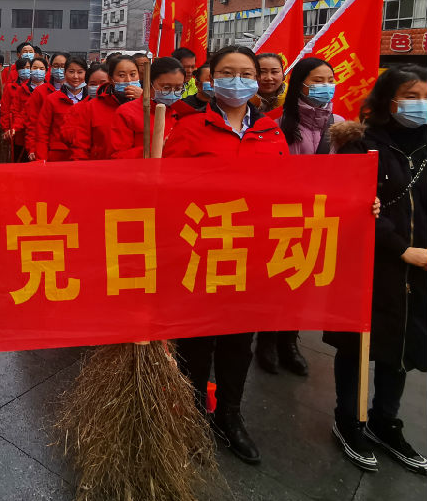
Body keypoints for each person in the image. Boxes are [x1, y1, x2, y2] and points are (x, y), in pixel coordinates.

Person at [164, 45, 289, 465]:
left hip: (251, 254)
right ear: (210, 80)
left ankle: (230, 416)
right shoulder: (189, 128)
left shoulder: (271, 132)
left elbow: (289, 191)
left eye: (247, 73)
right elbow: (169, 191)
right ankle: (193, 414)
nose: (239, 81)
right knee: (196, 341)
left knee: (239, 341)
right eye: (228, 73)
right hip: (200, 251)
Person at [327, 64, 427, 474]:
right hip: (369, 263)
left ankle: (386, 420)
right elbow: (352, 203)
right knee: (357, 344)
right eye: (412, 97)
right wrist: (401, 248)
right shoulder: (361, 145)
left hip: (419, 269)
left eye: (426, 97)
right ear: (388, 100)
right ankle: (348, 419)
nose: (420, 104)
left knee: (400, 347)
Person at [256, 57, 345, 377]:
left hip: (320, 216)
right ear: (300, 85)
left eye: (329, 80)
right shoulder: (279, 122)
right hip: (283, 216)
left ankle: (289, 342)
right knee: (277, 281)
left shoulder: (341, 124)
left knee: (301, 282)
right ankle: (266, 341)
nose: (325, 86)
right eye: (317, 81)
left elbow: (350, 173)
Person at [110, 56, 192, 159]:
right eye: (166, 87)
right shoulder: (126, 113)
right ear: (149, 84)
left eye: (178, 88)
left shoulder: (184, 112)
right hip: (141, 168)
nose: (172, 92)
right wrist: (156, 148)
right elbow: (118, 156)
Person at [67, 55, 142, 160]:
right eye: (121, 75)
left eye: (133, 74)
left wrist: (144, 99)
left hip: (140, 168)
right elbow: (80, 147)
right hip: (101, 167)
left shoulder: (150, 106)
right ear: (110, 79)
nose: (128, 80)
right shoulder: (92, 107)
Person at [34, 56, 88, 162]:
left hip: (84, 158)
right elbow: (42, 131)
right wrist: (41, 159)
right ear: (65, 73)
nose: (75, 76)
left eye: (80, 72)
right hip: (57, 157)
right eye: (71, 72)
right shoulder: (52, 99)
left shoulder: (91, 101)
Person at [24, 51, 67, 159]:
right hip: (47, 148)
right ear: (51, 68)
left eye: (63, 66)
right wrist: (32, 147)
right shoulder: (40, 91)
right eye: (55, 66)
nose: (59, 70)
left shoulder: (79, 93)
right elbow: (32, 122)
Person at [9, 54, 48, 160]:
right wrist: (15, 127)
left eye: (41, 69)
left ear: (46, 71)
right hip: (23, 135)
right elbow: (18, 111)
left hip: (44, 137)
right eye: (34, 68)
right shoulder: (22, 89)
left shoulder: (50, 91)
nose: (38, 71)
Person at [1, 56, 32, 161]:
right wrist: (7, 129)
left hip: (31, 131)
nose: (25, 70)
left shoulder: (36, 87)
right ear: (17, 71)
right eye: (22, 68)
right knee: (18, 158)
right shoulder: (11, 87)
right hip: (16, 131)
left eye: (28, 68)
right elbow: (5, 109)